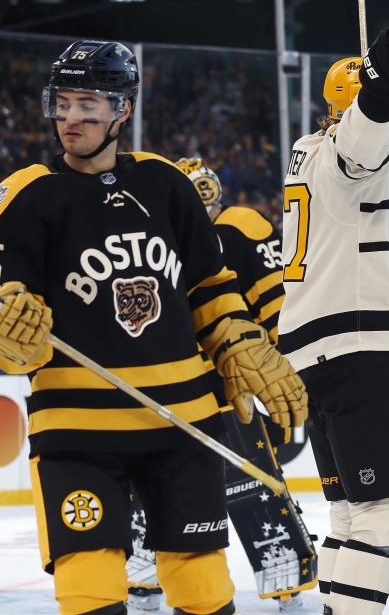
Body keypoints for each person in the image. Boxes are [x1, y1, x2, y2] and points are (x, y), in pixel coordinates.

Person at [0, 39, 307, 615]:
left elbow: (209, 287)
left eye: (87, 104)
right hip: (77, 429)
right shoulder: (22, 197)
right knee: (90, 588)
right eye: (63, 102)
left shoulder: (165, 184)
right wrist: (4, 330)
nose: (70, 118)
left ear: (122, 109)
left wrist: (241, 341)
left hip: (181, 421)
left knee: (204, 590)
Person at [279, 13, 389, 615]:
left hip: (314, 348)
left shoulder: (306, 153)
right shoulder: (353, 146)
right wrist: (380, 83)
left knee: (349, 511)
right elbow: (364, 137)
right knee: (386, 509)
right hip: (356, 345)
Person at [124, 158, 317, 613]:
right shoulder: (151, 234)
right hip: (168, 383)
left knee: (247, 482)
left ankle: (284, 579)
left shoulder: (239, 226)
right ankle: (146, 578)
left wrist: (282, 362)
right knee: (155, 481)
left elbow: (275, 302)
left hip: (228, 383)